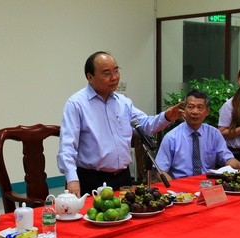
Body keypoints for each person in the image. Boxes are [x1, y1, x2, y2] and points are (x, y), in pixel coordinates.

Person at [57, 51, 184, 197]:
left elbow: (145, 126)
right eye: (106, 73)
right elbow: (67, 146)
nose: (114, 77)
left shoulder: (123, 102)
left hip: (123, 178)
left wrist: (167, 117)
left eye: (116, 71)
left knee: (127, 217)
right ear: (90, 77)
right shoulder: (76, 104)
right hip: (91, 179)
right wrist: (72, 179)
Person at [155, 89, 240, 180]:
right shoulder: (171, 137)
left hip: (208, 185)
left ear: (207, 111)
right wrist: (174, 188)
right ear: (184, 110)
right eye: (190, 107)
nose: (195, 112)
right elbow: (160, 171)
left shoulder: (214, 134)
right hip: (181, 186)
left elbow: (227, 158)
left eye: (200, 107)